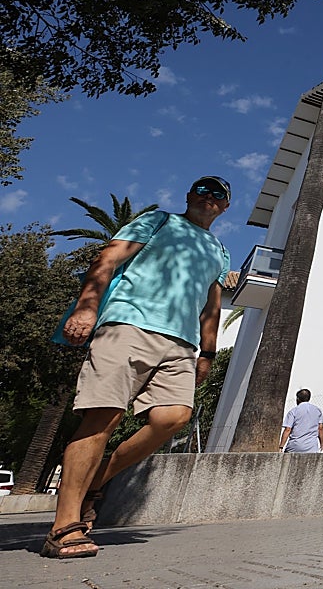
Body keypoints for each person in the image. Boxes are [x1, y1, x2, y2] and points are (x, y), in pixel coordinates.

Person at [42, 176, 231, 559]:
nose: (207, 198)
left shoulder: (219, 250)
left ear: (225, 207)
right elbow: (108, 257)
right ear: (189, 195)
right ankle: (64, 526)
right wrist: (86, 306)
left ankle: (98, 478)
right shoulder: (157, 221)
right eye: (201, 190)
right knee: (104, 417)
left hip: (181, 343)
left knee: (173, 418)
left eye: (217, 195)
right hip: (128, 326)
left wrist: (207, 354)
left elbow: (212, 305)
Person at [279, 389, 323, 453]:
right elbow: (320, 428)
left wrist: (281, 446)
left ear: (298, 399)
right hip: (312, 447)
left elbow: (288, 429)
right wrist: (322, 444)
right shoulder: (317, 410)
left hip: (294, 447)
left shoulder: (293, 411)